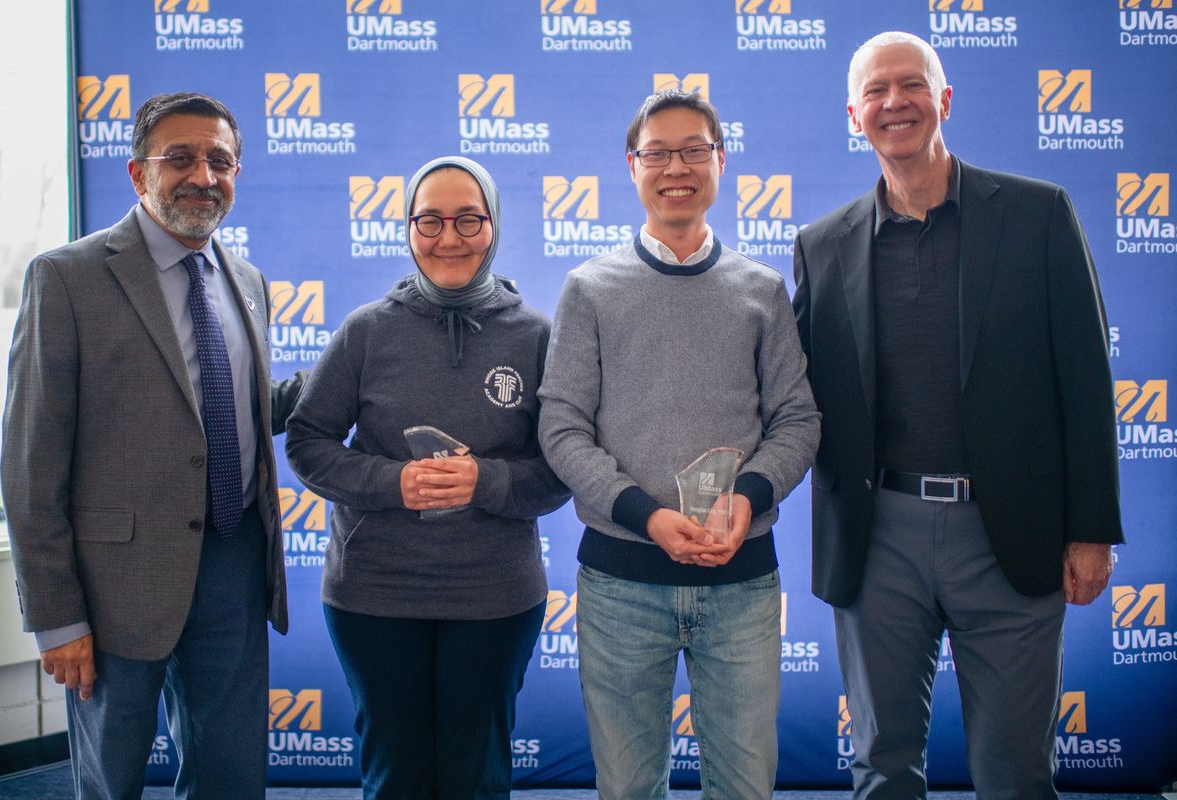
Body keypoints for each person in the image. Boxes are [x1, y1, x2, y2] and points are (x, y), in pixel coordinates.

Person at [791, 31, 1123, 800]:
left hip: (1011, 529)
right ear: (854, 115)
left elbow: (1086, 377)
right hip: (878, 537)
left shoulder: (1039, 215)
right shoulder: (822, 245)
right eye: (876, 91)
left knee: (1014, 770)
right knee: (881, 764)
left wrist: (1092, 527)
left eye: (911, 85)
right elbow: (791, 394)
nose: (893, 102)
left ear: (944, 100)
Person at [1, 92, 299, 799]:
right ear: (138, 174)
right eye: (181, 157)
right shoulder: (66, 278)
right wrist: (57, 617)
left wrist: (348, 372)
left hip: (232, 565)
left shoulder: (247, 283)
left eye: (220, 160)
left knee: (230, 775)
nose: (204, 174)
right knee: (112, 782)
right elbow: (30, 461)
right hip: (112, 593)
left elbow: (237, 416)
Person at [537, 90, 820, 800]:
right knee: (629, 789)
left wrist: (746, 502)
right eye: (657, 152)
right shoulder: (590, 289)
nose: (676, 167)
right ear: (631, 168)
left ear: (720, 162)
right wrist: (645, 515)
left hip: (743, 586)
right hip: (621, 583)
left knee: (744, 787)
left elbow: (798, 420)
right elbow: (561, 428)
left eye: (694, 149)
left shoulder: (761, 290)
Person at [284, 156, 569, 800]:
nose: (449, 238)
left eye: (469, 219)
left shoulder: (536, 336)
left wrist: (485, 481)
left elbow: (560, 470)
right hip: (374, 596)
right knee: (396, 775)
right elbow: (307, 442)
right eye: (430, 220)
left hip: (494, 595)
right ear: (408, 228)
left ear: (493, 226)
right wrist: (393, 483)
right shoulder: (365, 331)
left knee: (477, 775)